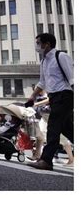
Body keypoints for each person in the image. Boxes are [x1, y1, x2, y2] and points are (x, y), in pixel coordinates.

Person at [26, 33, 74, 171]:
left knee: (53, 127)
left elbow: (72, 78)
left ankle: (46, 160)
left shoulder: (61, 56)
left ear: (47, 44)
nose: (37, 46)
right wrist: (32, 97)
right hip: (54, 98)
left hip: (65, 96)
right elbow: (42, 82)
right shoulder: (43, 61)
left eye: (38, 43)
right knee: (67, 129)